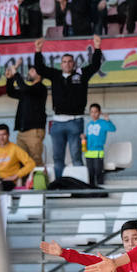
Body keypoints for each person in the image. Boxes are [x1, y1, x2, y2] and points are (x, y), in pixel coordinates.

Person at [33, 34, 103, 180]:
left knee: (76, 157)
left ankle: (79, 185)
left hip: (75, 122)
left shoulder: (81, 74)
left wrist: (97, 48)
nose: (67, 64)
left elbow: (95, 66)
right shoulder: (55, 75)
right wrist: (38, 50)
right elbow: (40, 68)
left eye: (70, 61)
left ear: (74, 63)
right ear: (61, 64)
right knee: (57, 158)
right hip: (57, 123)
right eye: (64, 62)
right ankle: (60, 185)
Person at [4, 60, 47, 166]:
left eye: (32, 70)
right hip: (22, 131)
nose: (29, 72)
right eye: (30, 70)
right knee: (21, 162)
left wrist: (16, 73)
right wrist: (10, 79)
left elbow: (24, 87)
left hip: (34, 131)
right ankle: (25, 183)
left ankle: (39, 183)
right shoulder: (28, 90)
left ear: (40, 75)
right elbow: (11, 92)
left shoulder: (40, 88)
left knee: (36, 161)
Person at [0, 123, 35, 190]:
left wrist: (16, 176)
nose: (1, 138)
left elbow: (31, 164)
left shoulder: (15, 149)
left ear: (8, 135)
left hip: (11, 181)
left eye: (4, 134)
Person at [83, 103, 116, 187]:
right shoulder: (89, 124)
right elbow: (90, 137)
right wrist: (84, 137)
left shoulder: (103, 123)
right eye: (92, 112)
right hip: (88, 152)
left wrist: (108, 120)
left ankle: (100, 188)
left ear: (99, 112)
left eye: (96, 112)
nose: (94, 114)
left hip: (98, 152)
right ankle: (91, 190)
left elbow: (113, 129)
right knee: (90, 172)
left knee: (98, 171)